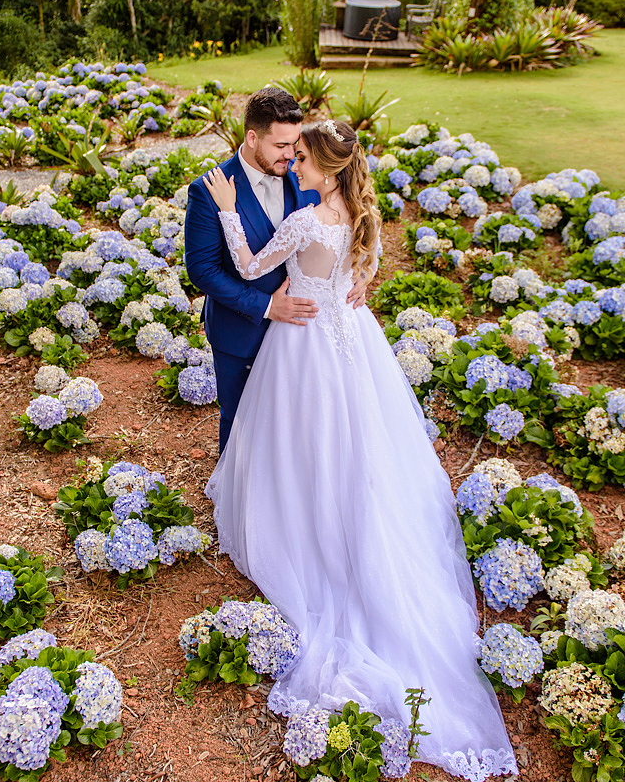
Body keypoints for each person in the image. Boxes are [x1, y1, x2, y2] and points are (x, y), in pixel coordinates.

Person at [201, 119, 517, 781]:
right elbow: (362, 271)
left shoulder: (308, 219)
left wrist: (231, 213)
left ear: (324, 167)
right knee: (356, 446)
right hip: (352, 338)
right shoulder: (356, 216)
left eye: (303, 159)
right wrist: (357, 285)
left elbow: (251, 265)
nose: (293, 165)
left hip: (304, 342)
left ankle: (305, 529)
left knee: (303, 442)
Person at [184, 87, 367, 452]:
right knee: (242, 427)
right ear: (253, 137)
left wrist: (355, 275)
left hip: (310, 334)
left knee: (304, 427)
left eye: (296, 144)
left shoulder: (308, 174)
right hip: (242, 329)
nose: (291, 155)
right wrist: (267, 306)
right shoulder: (210, 190)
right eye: (281, 145)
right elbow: (202, 269)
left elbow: (340, 232)